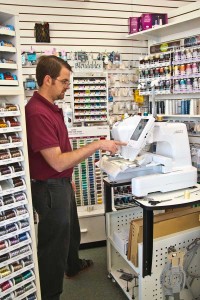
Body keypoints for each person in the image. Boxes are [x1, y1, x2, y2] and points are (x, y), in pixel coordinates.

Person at [25, 55, 126, 300]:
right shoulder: (37, 113)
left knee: (70, 232)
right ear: (47, 79)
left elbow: (61, 156)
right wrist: (97, 144)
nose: (67, 87)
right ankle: (50, 295)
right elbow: (57, 160)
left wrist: (68, 176)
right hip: (49, 188)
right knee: (53, 245)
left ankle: (73, 265)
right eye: (64, 82)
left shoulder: (51, 107)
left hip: (59, 182)